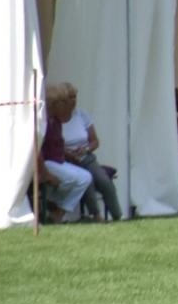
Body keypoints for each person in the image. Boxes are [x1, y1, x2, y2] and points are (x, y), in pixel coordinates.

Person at [59, 83, 122, 221]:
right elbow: (52, 145)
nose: (73, 101)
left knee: (104, 180)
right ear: (61, 100)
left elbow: (95, 141)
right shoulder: (54, 119)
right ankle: (96, 215)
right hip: (66, 160)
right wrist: (68, 153)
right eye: (70, 97)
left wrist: (86, 149)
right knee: (87, 180)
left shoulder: (81, 115)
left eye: (75, 97)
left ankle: (117, 216)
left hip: (86, 157)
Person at [36, 82, 93, 223]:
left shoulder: (56, 120)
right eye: (64, 102)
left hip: (58, 160)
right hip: (46, 162)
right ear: (54, 104)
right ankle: (53, 207)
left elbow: (59, 146)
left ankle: (57, 211)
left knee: (86, 177)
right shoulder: (41, 123)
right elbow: (36, 151)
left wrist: (70, 156)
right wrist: (46, 174)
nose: (67, 106)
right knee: (76, 180)